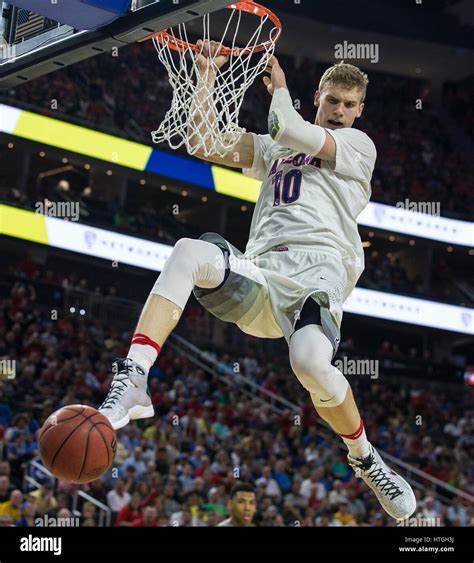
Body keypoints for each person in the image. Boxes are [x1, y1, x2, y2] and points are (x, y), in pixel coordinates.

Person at [98, 41, 416, 521]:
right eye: (332, 100)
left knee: (309, 363)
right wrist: (206, 75)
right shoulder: (273, 149)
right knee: (188, 251)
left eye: (349, 104)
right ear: (319, 98)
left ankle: (365, 457)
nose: (340, 111)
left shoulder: (358, 145)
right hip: (262, 272)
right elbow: (203, 141)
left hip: (319, 272)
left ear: (359, 111)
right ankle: (135, 377)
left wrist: (280, 87)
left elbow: (287, 125)